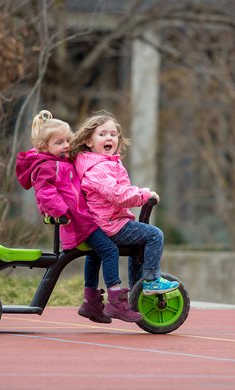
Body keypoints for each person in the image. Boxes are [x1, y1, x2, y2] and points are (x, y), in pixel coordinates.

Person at [15, 110, 141, 323]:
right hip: (76, 222)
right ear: (45, 147)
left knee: (95, 253)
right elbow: (45, 192)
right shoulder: (47, 166)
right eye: (59, 142)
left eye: (68, 140)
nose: (66, 146)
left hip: (83, 220)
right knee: (109, 251)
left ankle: (90, 301)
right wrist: (61, 212)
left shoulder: (63, 161)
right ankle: (115, 299)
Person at [70, 110, 179, 295]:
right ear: (89, 141)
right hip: (110, 224)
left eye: (113, 134)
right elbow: (117, 195)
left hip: (110, 221)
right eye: (102, 134)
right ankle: (151, 280)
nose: (109, 138)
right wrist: (145, 194)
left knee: (139, 242)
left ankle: (137, 286)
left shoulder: (107, 163)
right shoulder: (97, 168)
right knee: (154, 235)